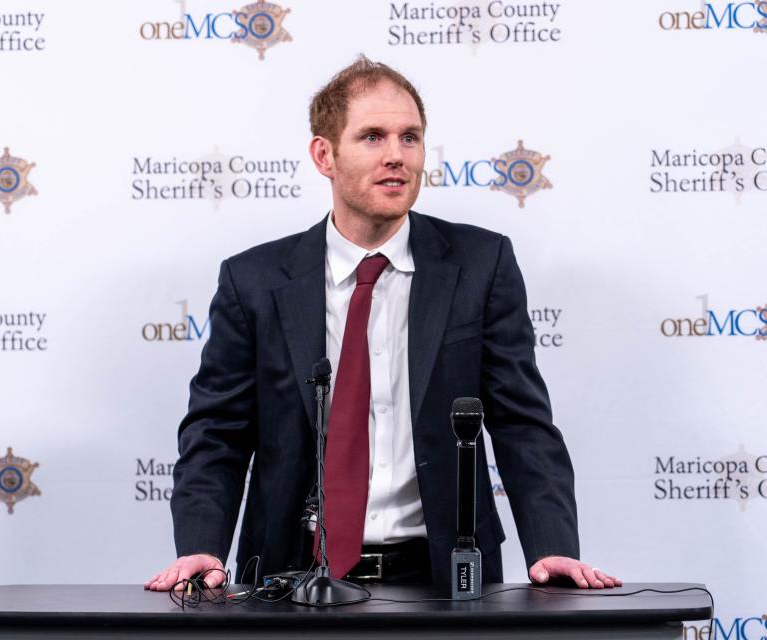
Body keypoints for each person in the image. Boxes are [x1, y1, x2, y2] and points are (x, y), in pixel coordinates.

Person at [146, 56, 620, 592]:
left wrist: (553, 545)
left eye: (410, 138)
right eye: (372, 137)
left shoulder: (481, 265)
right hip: (288, 579)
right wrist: (202, 545)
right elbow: (217, 433)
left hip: (444, 582)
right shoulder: (252, 281)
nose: (397, 155)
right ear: (324, 154)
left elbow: (522, 423)